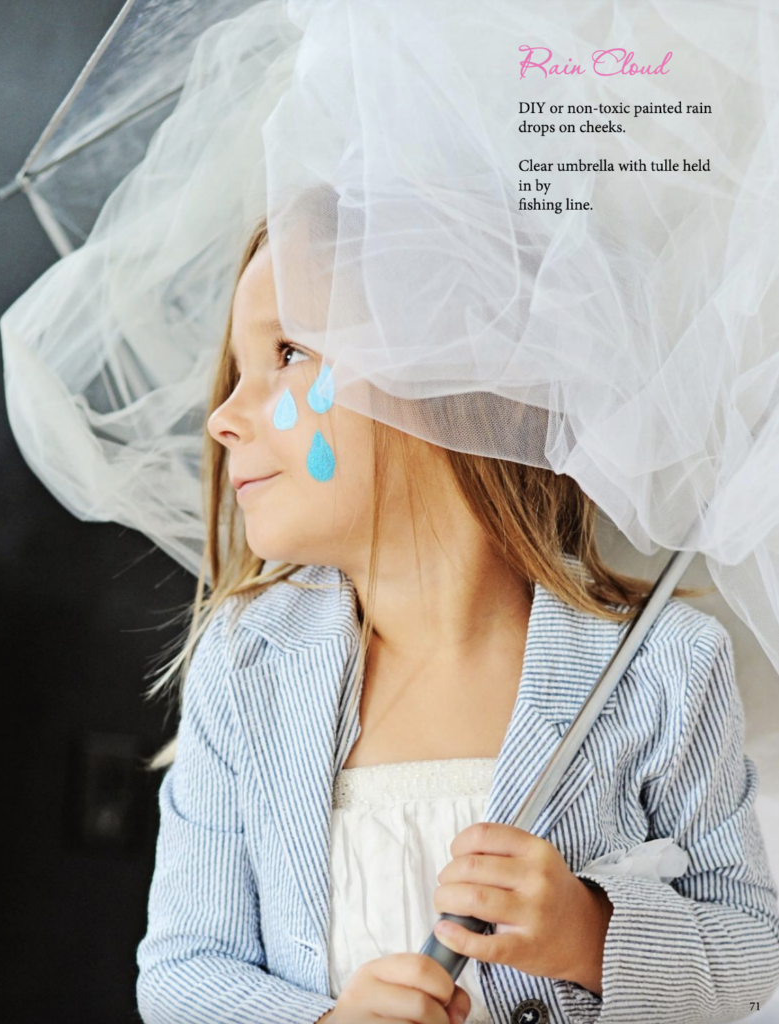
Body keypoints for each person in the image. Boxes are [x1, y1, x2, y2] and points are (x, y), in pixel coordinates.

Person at [133, 216, 779, 1024]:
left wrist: (593, 934)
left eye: (289, 353)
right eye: (238, 369)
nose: (221, 417)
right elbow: (183, 970)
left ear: (449, 375)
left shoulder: (664, 665)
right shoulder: (246, 665)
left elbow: (752, 948)